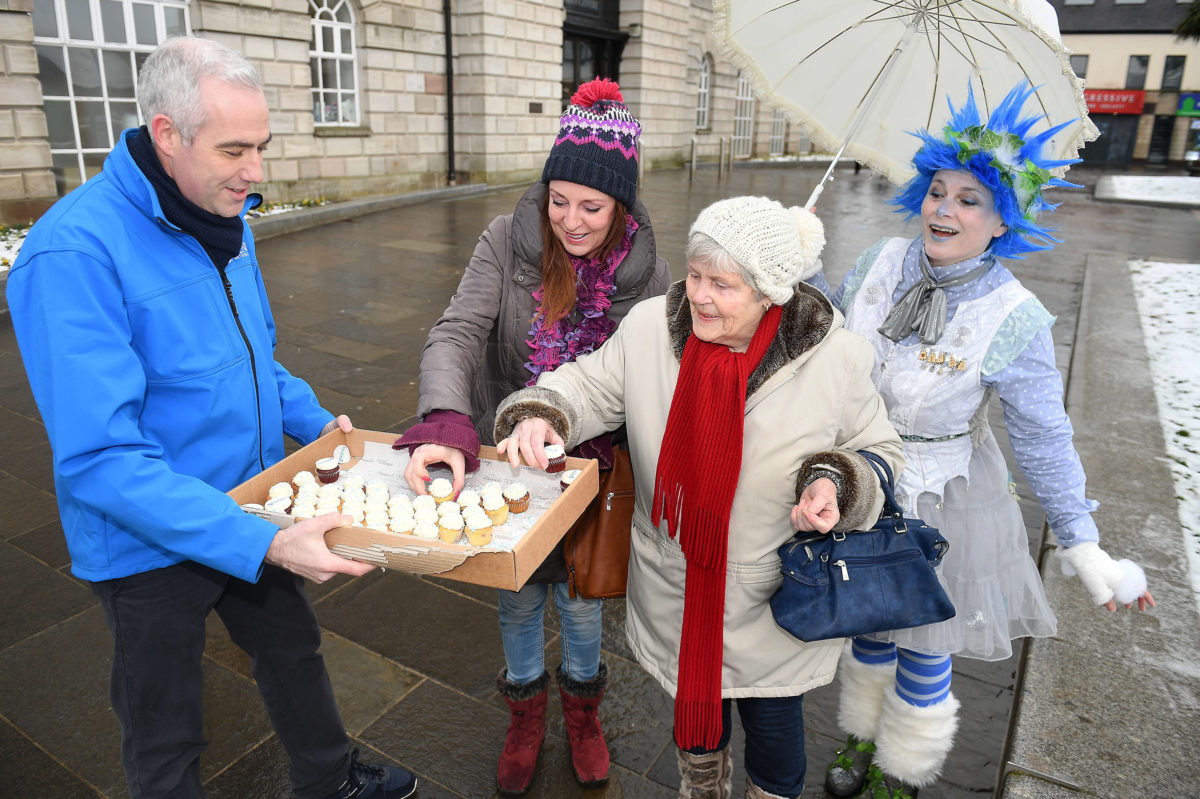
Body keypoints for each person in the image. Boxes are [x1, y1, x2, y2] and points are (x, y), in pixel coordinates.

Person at [6, 37, 417, 799]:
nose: (256, 171)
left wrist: (320, 421)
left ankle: (328, 779)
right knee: (165, 727)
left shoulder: (225, 215)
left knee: (293, 650)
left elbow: (254, 358)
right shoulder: (73, 253)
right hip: (147, 539)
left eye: (261, 146)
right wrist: (261, 539)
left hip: (248, 496)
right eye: (234, 149)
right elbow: (101, 459)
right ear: (167, 135)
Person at [491, 195, 904, 799]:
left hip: (775, 596)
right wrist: (540, 413)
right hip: (678, 584)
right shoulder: (650, 331)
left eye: (724, 284)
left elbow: (881, 453)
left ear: (770, 292)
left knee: (774, 728)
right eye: (696, 275)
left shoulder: (833, 358)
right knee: (696, 724)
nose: (700, 297)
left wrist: (835, 482)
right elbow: (585, 384)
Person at [818, 83, 1157, 799]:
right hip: (857, 476)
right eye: (938, 190)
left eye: (971, 199)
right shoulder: (878, 262)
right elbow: (821, 339)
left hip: (943, 496)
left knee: (923, 637)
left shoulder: (1015, 316)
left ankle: (901, 768)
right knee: (868, 624)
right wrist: (797, 264)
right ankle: (860, 729)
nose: (944, 209)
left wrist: (1080, 537)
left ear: (1005, 220)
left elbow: (1043, 433)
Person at [392, 78, 670, 794]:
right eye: (559, 200)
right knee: (516, 596)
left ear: (622, 205)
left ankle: (582, 709)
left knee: (580, 600)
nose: (572, 221)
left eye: (593, 206)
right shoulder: (506, 241)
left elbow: (647, 376)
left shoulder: (646, 273)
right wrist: (447, 418)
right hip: (508, 455)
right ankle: (524, 710)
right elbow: (455, 335)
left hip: (591, 466)